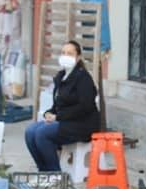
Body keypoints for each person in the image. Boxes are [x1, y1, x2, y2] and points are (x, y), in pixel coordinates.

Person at [25, 41, 100, 172]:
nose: (66, 56)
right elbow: (58, 103)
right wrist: (49, 113)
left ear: (78, 58)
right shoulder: (61, 76)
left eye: (70, 53)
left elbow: (85, 106)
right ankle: (43, 171)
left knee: (42, 134)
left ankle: (55, 174)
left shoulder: (83, 78)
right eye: (63, 53)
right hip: (64, 121)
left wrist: (58, 116)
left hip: (82, 124)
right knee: (30, 131)